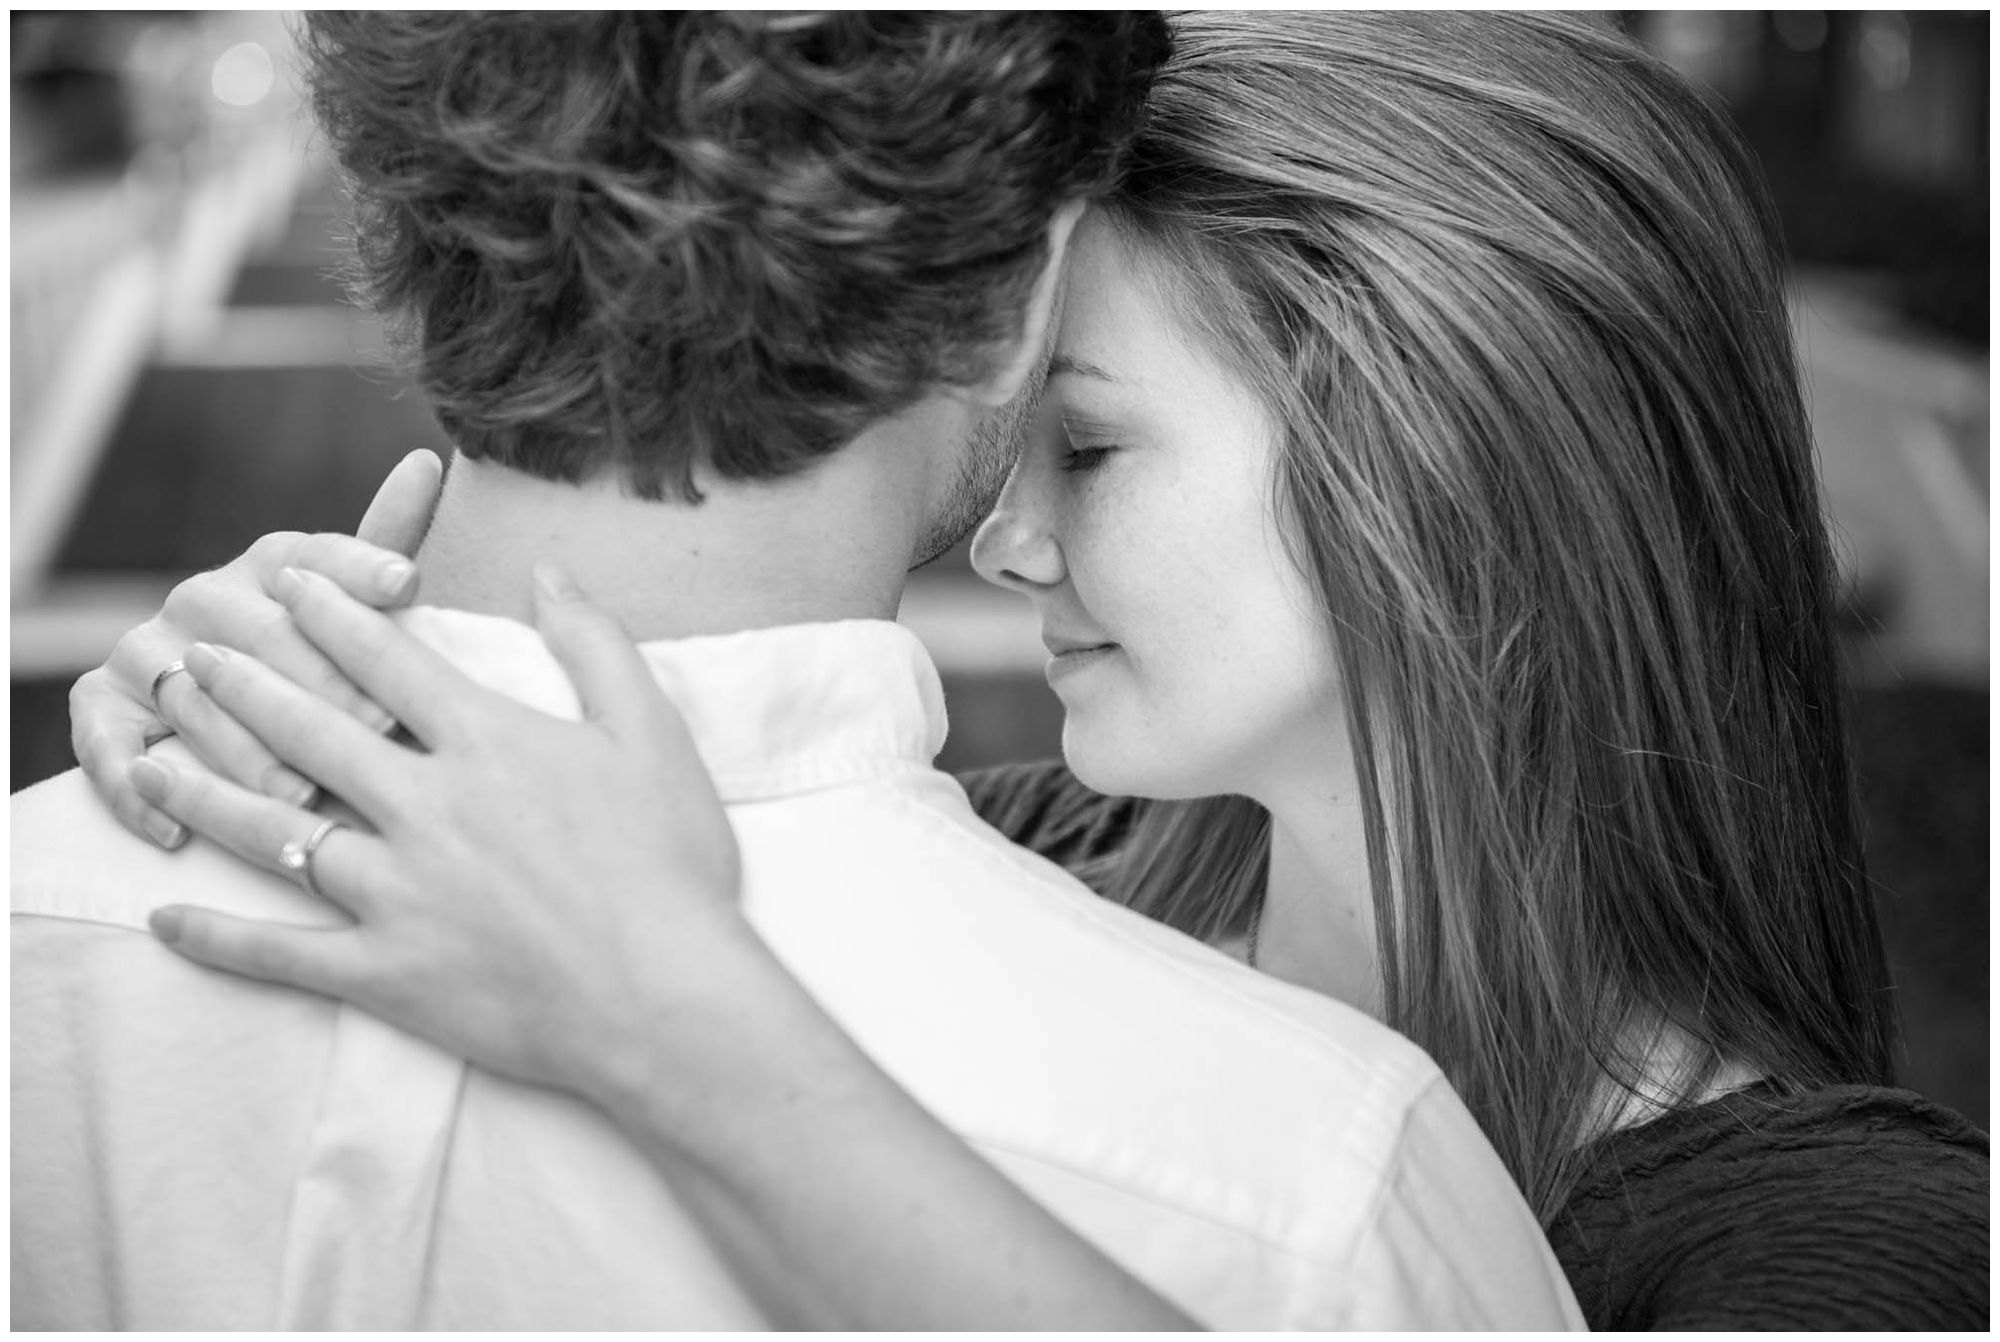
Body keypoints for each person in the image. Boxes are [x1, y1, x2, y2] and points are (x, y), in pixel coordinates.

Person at [65, 9, 1990, 1333]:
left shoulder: (1856, 1253)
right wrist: (287, 673)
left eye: (1091, 444)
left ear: (1450, 457)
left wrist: (696, 1038)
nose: (998, 540)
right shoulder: (1046, 862)